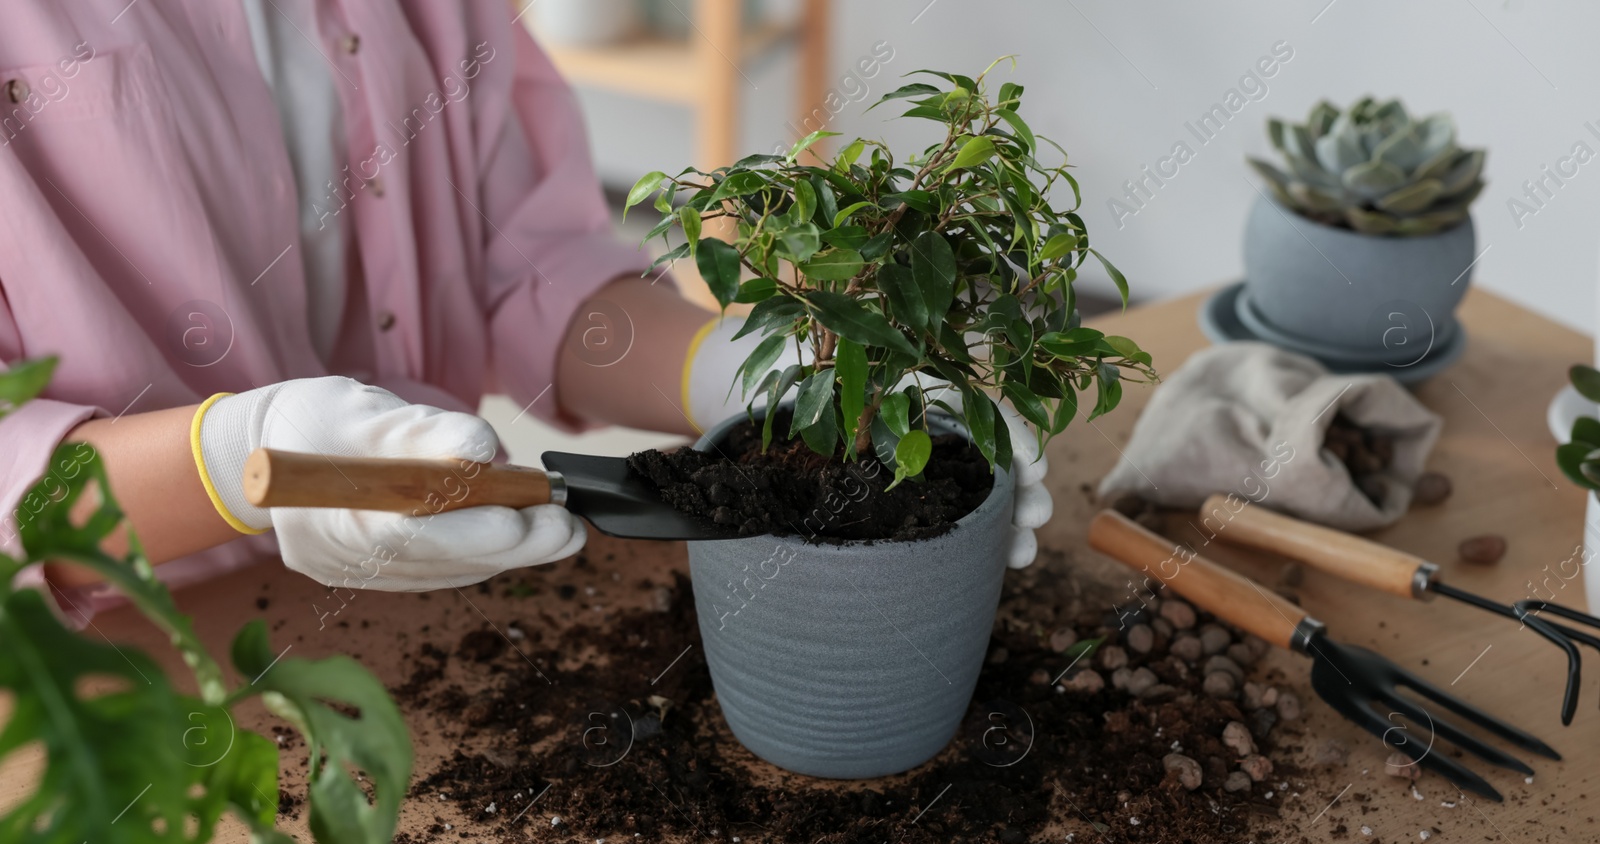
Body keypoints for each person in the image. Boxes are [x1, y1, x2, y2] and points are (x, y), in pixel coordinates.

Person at [0, 1, 1051, 621]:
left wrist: (751, 369)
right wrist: (238, 464)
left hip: (410, 600)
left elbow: (519, 262)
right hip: (112, 672)